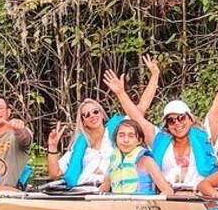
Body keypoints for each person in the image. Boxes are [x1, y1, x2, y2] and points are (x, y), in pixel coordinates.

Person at [103, 49, 218, 188]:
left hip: (199, 196)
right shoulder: (159, 138)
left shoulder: (206, 135)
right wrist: (120, 93)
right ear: (167, 124)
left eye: (181, 118)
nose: (177, 123)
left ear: (190, 118)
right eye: (171, 120)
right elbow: (137, 118)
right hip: (169, 197)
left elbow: (217, 107)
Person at [47, 55, 160, 187]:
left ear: (101, 114)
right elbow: (55, 173)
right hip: (82, 191)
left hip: (110, 188)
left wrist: (154, 76)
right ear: (83, 122)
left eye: (95, 111)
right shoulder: (80, 144)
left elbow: (141, 108)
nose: (92, 116)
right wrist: (53, 147)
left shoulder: (117, 130)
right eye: (87, 114)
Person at [99, 120, 174, 195]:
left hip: (143, 205)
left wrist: (154, 204)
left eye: (131, 136)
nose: (126, 140)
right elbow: (102, 191)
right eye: (121, 135)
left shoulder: (147, 161)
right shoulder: (113, 164)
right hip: (118, 205)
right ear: (116, 139)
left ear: (139, 140)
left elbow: (168, 191)